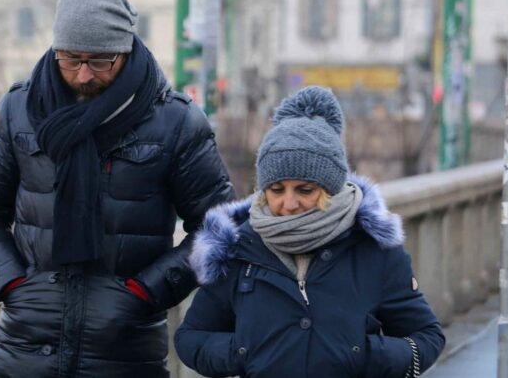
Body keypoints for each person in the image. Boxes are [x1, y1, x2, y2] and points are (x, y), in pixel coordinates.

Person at [0, 0, 236, 377]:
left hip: (126, 347)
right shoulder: (19, 109)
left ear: (125, 51)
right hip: (25, 347)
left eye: (101, 61)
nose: (84, 74)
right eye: (71, 59)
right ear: (56, 52)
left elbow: (220, 226)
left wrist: (147, 292)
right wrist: (11, 283)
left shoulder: (175, 121)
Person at [175, 86, 445, 378]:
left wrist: (364, 355)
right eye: (276, 190)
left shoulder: (374, 248)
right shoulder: (236, 248)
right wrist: (243, 351)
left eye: (305, 190)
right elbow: (191, 338)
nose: (289, 203)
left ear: (331, 189)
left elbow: (427, 337)